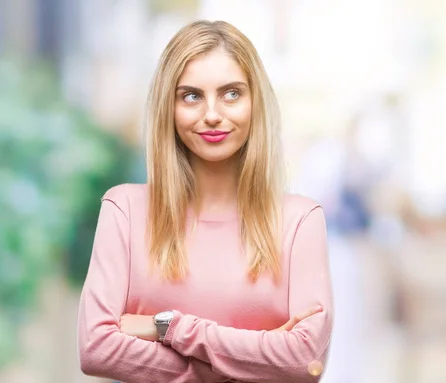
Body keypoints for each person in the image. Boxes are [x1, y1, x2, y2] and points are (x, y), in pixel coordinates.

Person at [77, 20, 333, 383]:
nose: (212, 114)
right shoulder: (124, 211)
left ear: (255, 102)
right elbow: (96, 349)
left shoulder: (300, 220)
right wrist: (251, 362)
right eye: (192, 96)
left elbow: (305, 361)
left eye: (231, 93)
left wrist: (167, 327)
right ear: (169, 106)